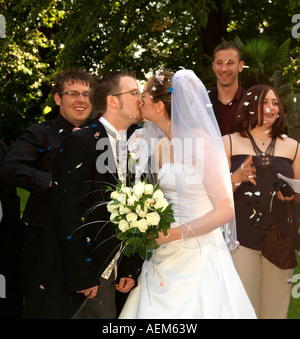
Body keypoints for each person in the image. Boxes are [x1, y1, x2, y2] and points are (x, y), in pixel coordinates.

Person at [119, 69, 256, 319]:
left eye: (144, 95)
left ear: (159, 105)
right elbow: (159, 198)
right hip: (163, 251)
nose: (139, 100)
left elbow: (225, 211)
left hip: (199, 251)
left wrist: (170, 234)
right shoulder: (159, 147)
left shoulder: (201, 143)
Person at [22, 69, 143, 319]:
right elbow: (68, 213)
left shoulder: (135, 145)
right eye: (134, 93)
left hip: (113, 273)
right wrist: (82, 274)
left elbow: (137, 209)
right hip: (80, 279)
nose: (140, 99)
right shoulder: (81, 142)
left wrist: (130, 268)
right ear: (113, 101)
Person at [0, 68, 94, 298]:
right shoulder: (40, 133)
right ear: (58, 98)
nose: (81, 100)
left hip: (89, 244)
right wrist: (54, 182)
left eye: (86, 93)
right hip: (44, 241)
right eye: (73, 93)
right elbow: (10, 169)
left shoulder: (100, 136)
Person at [222, 84, 300, 319]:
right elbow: (215, 193)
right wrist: (236, 178)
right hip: (241, 240)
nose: (271, 108)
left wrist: (292, 195)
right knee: (243, 310)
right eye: (264, 102)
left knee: (276, 311)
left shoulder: (293, 147)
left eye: (275, 103)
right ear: (248, 106)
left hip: (280, 238)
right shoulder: (228, 143)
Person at [0, 140, 23, 318]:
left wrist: (14, 227)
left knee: (8, 295)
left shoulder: (1, 146)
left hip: (6, 235)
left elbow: (9, 190)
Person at [209, 41, 245, 136]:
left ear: (240, 66)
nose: (224, 69)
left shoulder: (253, 103)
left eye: (230, 63)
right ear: (213, 66)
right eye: (219, 63)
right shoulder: (200, 99)